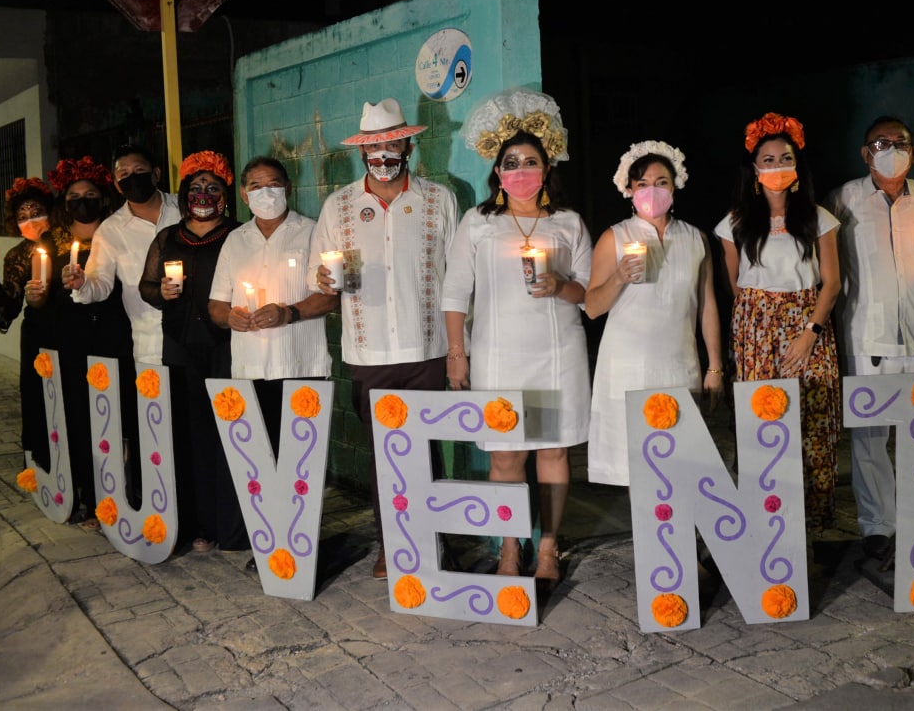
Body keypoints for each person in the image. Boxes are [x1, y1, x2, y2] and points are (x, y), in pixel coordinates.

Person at [443, 88, 592, 582]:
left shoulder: (567, 223)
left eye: (531, 162)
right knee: (507, 455)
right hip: (499, 358)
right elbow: (455, 291)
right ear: (497, 171)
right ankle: (510, 548)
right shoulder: (479, 222)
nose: (521, 170)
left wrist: (561, 285)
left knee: (551, 451)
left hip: (553, 355)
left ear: (546, 170)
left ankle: (548, 548)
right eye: (512, 163)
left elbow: (590, 295)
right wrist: (457, 353)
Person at [310, 97, 460, 580]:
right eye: (374, 147)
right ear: (362, 153)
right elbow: (318, 274)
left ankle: (435, 544)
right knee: (384, 452)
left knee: (427, 449)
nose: (383, 154)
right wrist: (324, 279)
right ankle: (391, 544)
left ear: (409, 147)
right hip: (369, 351)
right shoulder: (339, 206)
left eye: (392, 144)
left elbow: (458, 278)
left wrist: (460, 348)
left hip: (428, 348)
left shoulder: (439, 199)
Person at [824, 115, 914, 563]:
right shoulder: (842, 200)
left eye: (900, 143)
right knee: (870, 438)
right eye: (881, 143)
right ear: (865, 153)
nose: (891, 150)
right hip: (867, 336)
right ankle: (878, 527)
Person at [714, 112, 843, 532]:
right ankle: (763, 519)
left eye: (785, 158)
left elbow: (832, 283)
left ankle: (807, 526)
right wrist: (760, 324)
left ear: (797, 165)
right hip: (754, 328)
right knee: (762, 421)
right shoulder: (734, 223)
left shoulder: (818, 218)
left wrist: (809, 333)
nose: (777, 167)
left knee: (812, 417)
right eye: (767, 160)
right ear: (754, 169)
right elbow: (736, 286)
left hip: (808, 323)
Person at [585, 140, 724, 487]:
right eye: (643, 183)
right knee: (637, 470)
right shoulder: (615, 237)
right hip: (628, 368)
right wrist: (619, 277)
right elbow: (593, 307)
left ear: (675, 186)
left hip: (679, 364)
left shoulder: (695, 238)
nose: (652, 190)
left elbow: (707, 305)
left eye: (661, 182)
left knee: (682, 466)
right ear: (629, 190)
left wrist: (715, 366)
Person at [138, 150, 244, 553]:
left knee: (229, 430)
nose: (203, 194)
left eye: (212, 187)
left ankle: (231, 523)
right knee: (190, 432)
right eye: (196, 187)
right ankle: (197, 524)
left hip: (226, 346)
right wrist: (161, 293)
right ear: (184, 194)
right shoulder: (167, 238)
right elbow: (146, 286)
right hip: (181, 347)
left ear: (225, 195)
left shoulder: (239, 235)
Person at [64, 144, 180, 501]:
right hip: (148, 341)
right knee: (155, 426)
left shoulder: (184, 208)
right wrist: (82, 284)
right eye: (123, 175)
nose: (132, 178)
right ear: (116, 185)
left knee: (194, 423)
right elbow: (99, 283)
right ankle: (155, 501)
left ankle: (197, 509)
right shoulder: (111, 230)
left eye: (139, 170)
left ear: (156, 173)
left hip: (198, 334)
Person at [208, 156, 338, 445]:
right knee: (255, 458)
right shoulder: (235, 240)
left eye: (273, 185)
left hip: (302, 367)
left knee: (302, 458)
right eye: (256, 186)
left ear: (288, 189)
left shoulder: (313, 232)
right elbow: (216, 305)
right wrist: (229, 317)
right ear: (244, 194)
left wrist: (289, 313)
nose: (265, 193)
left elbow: (330, 298)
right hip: (248, 369)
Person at [40, 156, 132, 529]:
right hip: (72, 338)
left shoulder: (117, 234)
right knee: (80, 415)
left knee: (118, 413)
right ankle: (88, 496)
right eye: (74, 196)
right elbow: (43, 293)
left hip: (114, 335)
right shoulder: (52, 242)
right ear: (65, 202)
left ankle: (122, 492)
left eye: (90, 194)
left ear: (103, 198)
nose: (82, 201)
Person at [0, 176, 56, 471]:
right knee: (39, 400)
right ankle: (43, 466)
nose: (30, 221)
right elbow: (8, 313)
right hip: (38, 334)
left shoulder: (65, 243)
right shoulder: (16, 255)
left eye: (36, 212)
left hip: (70, 331)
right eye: (22, 216)